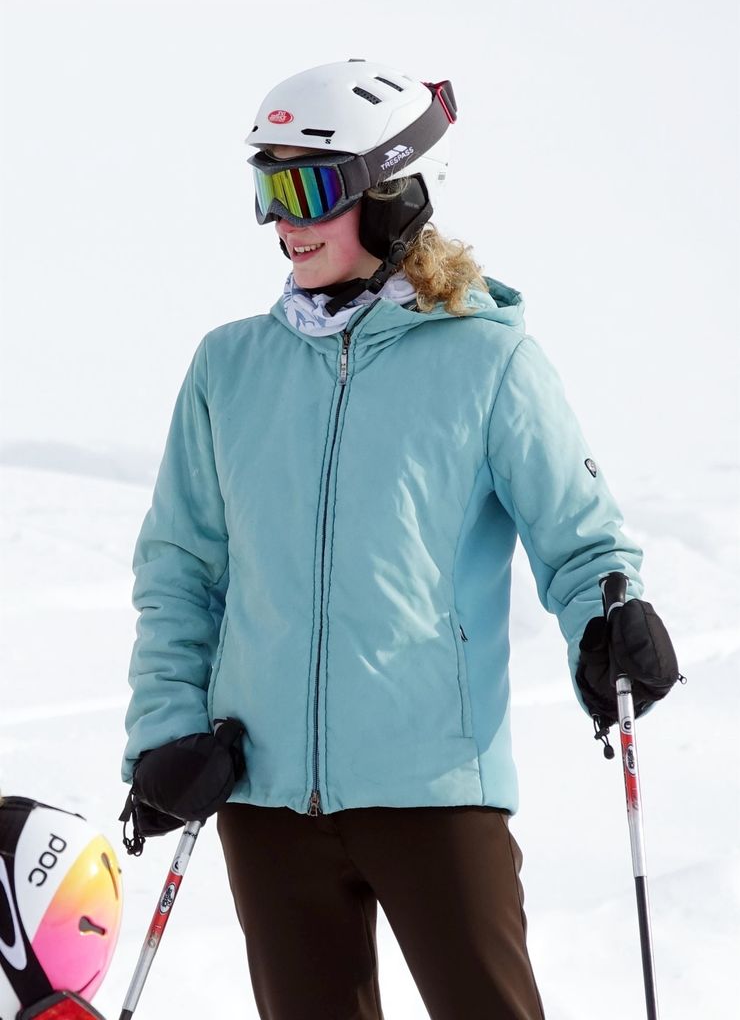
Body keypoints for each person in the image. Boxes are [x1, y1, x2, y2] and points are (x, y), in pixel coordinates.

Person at [121, 59, 681, 1020]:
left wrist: (611, 620)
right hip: (263, 795)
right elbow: (181, 570)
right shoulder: (229, 368)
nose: (280, 222)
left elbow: (584, 544)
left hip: (433, 788)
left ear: (391, 197)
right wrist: (165, 732)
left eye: (306, 189)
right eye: (267, 187)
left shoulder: (489, 360)